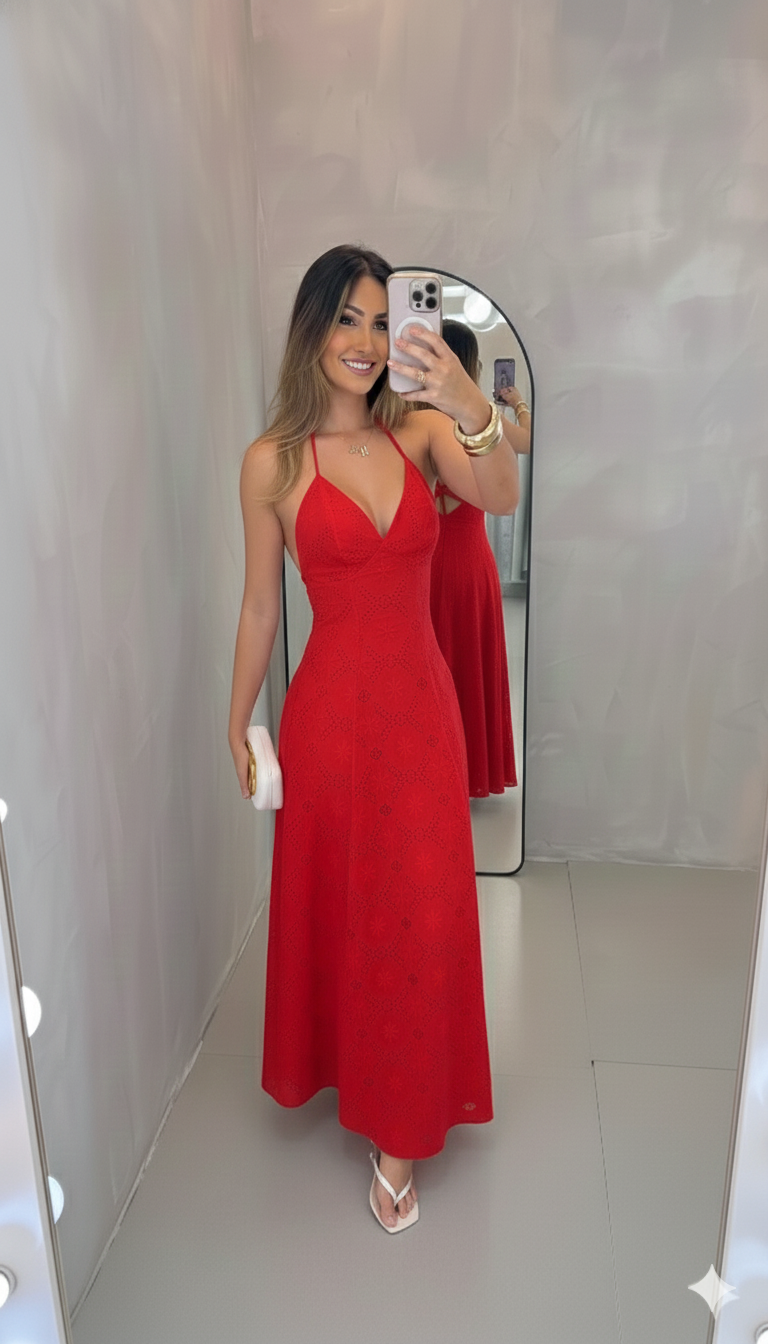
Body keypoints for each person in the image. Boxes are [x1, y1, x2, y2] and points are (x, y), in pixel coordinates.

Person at [228, 246, 519, 1233]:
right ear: (311, 331)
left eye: (379, 320)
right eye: (345, 319)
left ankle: (402, 1129)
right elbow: (260, 608)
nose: (363, 341)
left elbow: (501, 495)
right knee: (353, 911)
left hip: (423, 713)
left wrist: (467, 399)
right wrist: (238, 719)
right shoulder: (271, 462)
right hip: (330, 725)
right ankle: (360, 1080)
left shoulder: (425, 430)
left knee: (422, 910)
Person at [429, 321, 531, 797]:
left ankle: (432, 774)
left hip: (422, 567)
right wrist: (517, 404)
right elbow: (530, 441)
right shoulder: (480, 420)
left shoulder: (405, 421)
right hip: (469, 565)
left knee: (429, 672)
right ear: (469, 366)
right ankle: (469, 772)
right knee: (467, 666)